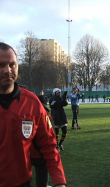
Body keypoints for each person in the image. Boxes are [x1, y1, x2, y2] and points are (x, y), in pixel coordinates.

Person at [0, 42, 66, 186]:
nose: (8, 70)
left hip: (22, 183)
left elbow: (49, 145)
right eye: (1, 65)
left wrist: (59, 181)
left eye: (12, 65)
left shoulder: (32, 102)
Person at [31, 90, 52, 187]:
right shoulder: (47, 118)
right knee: (41, 175)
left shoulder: (31, 115)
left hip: (30, 153)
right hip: (40, 153)